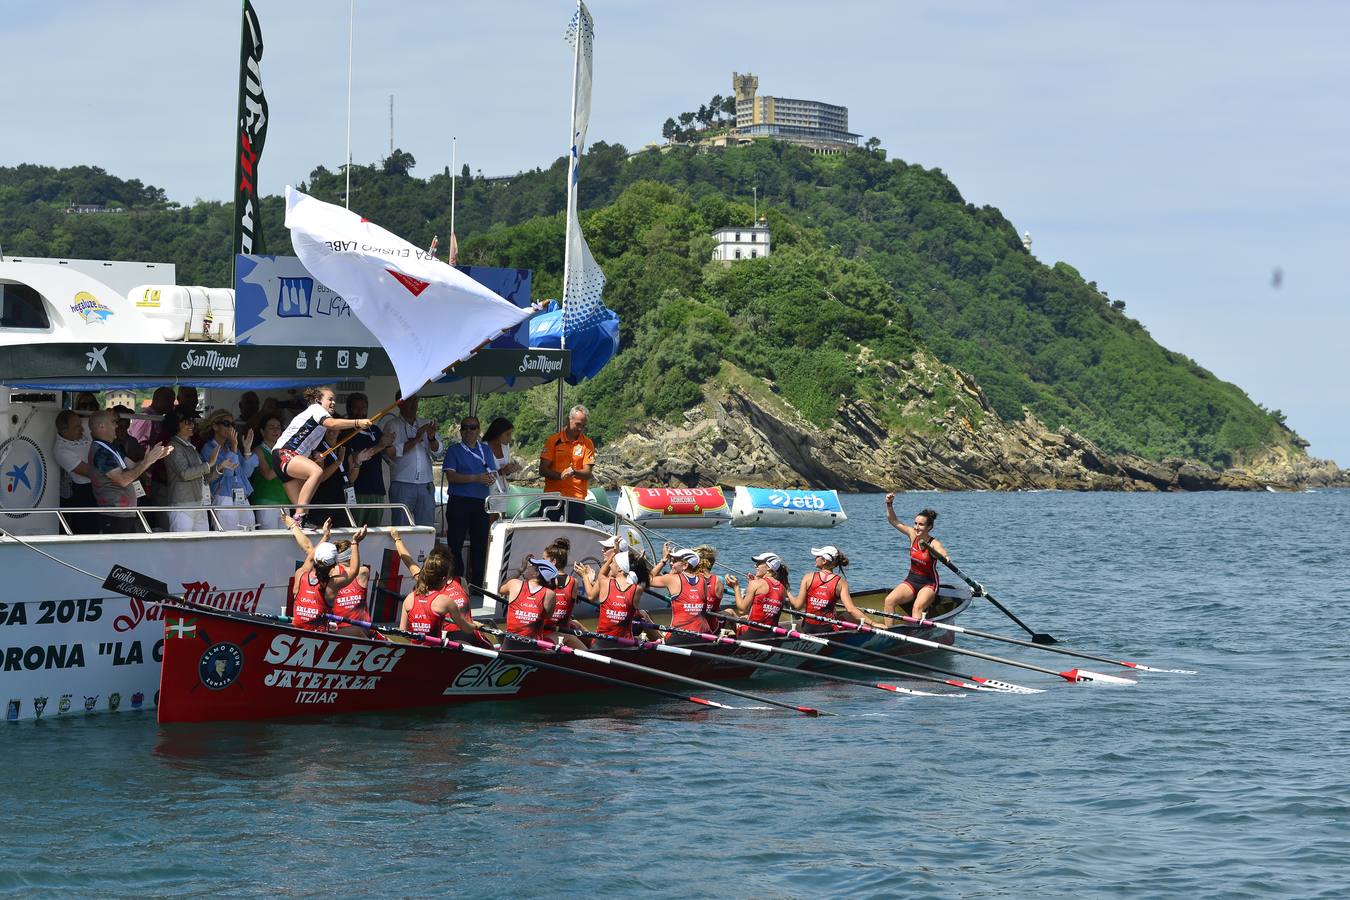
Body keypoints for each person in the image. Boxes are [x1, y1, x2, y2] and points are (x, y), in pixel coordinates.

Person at [272, 385, 371, 528]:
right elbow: (332, 423)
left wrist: (314, 454)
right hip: (285, 453)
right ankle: (299, 517)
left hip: (285, 458)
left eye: (334, 400)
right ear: (318, 400)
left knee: (302, 505)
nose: (333, 402)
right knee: (316, 472)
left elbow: (308, 443)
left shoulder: (318, 421)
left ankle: (300, 524)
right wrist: (357, 422)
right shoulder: (316, 409)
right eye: (330, 399)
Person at [87, 410, 171, 533]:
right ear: (101, 426)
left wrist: (154, 457)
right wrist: (147, 461)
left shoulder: (110, 448)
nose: (117, 426)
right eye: (113, 422)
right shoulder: (101, 452)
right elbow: (123, 480)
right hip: (114, 516)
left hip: (123, 514)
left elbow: (133, 466)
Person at [441, 415, 497, 591]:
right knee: (455, 544)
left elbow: (492, 472)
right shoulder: (454, 450)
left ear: (478, 430)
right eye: (465, 427)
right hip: (459, 501)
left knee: (480, 544)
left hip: (480, 502)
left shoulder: (486, 450)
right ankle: (456, 582)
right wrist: (476, 478)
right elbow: (451, 476)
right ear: (460, 431)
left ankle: (477, 584)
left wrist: (489, 478)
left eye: (472, 427)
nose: (468, 431)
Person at [286, 518, 367, 632]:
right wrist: (355, 542)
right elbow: (353, 571)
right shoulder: (331, 585)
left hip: (296, 632)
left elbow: (309, 559)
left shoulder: (300, 574)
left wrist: (325, 536)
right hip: (318, 638)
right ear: (334, 564)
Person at [883, 497, 949, 621]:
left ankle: (914, 635)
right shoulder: (912, 535)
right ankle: (888, 634)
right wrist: (889, 504)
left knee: (917, 608)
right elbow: (893, 520)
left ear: (929, 527)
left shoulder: (934, 543)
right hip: (911, 580)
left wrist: (945, 557)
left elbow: (941, 551)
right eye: (915, 523)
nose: (917, 527)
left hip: (929, 584)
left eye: (921, 524)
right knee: (889, 601)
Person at [399, 548, 483, 642]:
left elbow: (403, 632)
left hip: (416, 650)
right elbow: (467, 629)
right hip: (436, 652)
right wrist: (476, 626)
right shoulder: (446, 601)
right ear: (444, 579)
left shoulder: (409, 598)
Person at [162, 411, 228, 532]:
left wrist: (219, 468)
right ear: (176, 425)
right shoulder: (173, 447)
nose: (192, 424)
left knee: (202, 548)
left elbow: (204, 478)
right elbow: (185, 474)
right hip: (182, 506)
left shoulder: (190, 447)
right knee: (182, 549)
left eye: (192, 421)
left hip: (198, 505)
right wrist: (209, 464)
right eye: (187, 422)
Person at [791, 544, 879, 632]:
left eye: (818, 556)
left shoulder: (808, 577)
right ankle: (866, 631)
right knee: (859, 612)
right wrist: (873, 623)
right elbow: (851, 609)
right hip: (827, 628)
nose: (815, 558)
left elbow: (797, 606)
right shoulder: (841, 583)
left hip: (807, 627)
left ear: (824, 560)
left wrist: (787, 591)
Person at [382, 393, 439, 528]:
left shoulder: (426, 423)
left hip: (426, 484)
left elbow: (438, 450)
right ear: (399, 403)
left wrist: (431, 438)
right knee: (402, 529)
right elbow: (391, 453)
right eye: (409, 400)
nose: (414, 404)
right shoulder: (392, 425)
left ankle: (425, 551)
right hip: (402, 483)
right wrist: (417, 438)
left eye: (416, 400)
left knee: (426, 529)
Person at [576, 548, 656, 643]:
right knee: (642, 629)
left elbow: (598, 580)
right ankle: (659, 640)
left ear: (620, 568)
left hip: (601, 643)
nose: (610, 565)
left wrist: (585, 576)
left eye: (613, 563)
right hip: (625, 643)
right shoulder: (637, 589)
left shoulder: (605, 582)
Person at [201, 410, 258, 531]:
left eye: (233, 425)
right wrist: (234, 447)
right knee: (228, 538)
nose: (231, 428)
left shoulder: (232, 446)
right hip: (223, 497)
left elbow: (246, 474)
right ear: (215, 426)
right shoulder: (208, 448)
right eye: (227, 424)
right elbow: (228, 472)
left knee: (249, 534)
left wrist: (247, 449)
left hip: (242, 497)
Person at [343, 393, 394, 528]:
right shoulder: (345, 432)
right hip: (356, 491)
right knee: (355, 532)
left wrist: (390, 442)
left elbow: (388, 453)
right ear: (349, 409)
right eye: (356, 408)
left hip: (377, 490)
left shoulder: (375, 430)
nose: (360, 412)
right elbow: (354, 457)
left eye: (364, 408)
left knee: (374, 535)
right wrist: (380, 445)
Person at [538, 404, 595, 523]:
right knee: (545, 532)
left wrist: (574, 472)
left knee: (575, 536)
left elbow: (588, 473)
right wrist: (560, 475)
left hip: (576, 498)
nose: (580, 429)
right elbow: (542, 470)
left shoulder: (587, 443)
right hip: (553, 495)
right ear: (569, 420)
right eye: (578, 424)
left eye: (583, 426)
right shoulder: (553, 441)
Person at [650, 544, 711, 642]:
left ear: (685, 565)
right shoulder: (702, 580)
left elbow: (647, 579)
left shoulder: (672, 578)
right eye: (670, 560)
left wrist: (663, 560)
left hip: (679, 635)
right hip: (704, 634)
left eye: (674, 561)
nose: (671, 563)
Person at [537, 538, 588, 649]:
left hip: (549, 633)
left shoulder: (540, 581)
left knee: (576, 624)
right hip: (563, 632)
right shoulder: (573, 582)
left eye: (543, 559)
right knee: (577, 626)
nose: (540, 563)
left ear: (553, 562)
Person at [725, 552, 789, 637]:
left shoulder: (755, 584)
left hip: (752, 634)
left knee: (729, 612)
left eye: (759, 563)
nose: (755, 566)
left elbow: (742, 610)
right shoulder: (783, 588)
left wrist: (736, 587)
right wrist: (754, 584)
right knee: (745, 616)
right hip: (771, 634)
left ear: (769, 567)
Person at [54, 410, 97, 534]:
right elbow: (89, 472)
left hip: (100, 485)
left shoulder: (82, 431)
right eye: (77, 427)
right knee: (88, 531)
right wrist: (111, 469)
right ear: (64, 432)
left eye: (80, 424)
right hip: (85, 492)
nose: (82, 429)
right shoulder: (61, 450)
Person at [499, 557, 557, 648]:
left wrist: (520, 570)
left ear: (536, 573)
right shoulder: (550, 594)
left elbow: (501, 589)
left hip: (510, 644)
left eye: (531, 566)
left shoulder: (514, 584)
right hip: (534, 646)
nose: (528, 567)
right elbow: (548, 616)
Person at [249, 413, 290, 529]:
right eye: (271, 427)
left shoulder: (284, 451)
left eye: (278, 427)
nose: (275, 430)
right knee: (267, 544)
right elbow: (268, 475)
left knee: (285, 542)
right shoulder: (258, 450)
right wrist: (286, 460)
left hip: (285, 500)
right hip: (266, 503)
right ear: (262, 431)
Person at [483, 417, 522, 495]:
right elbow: (480, 475)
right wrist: (502, 471)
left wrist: (510, 470)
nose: (510, 438)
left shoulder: (505, 447)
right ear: (497, 434)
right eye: (508, 434)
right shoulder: (482, 448)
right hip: (487, 494)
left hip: (503, 492)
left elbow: (505, 473)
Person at [693, 545, 725, 618]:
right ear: (713, 563)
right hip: (713, 624)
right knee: (730, 611)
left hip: (695, 622)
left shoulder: (689, 578)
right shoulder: (719, 580)